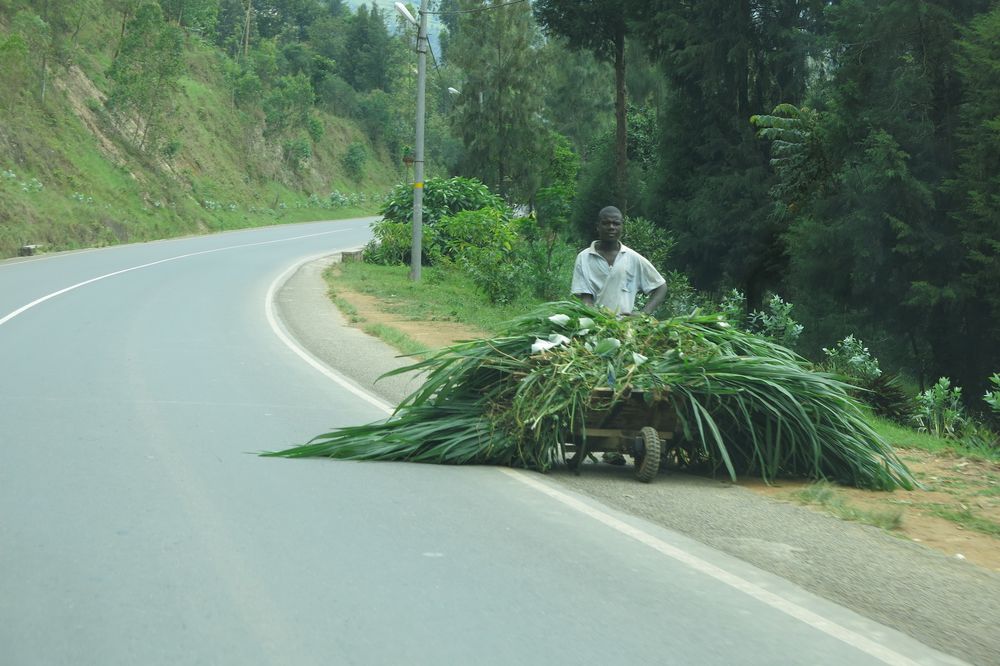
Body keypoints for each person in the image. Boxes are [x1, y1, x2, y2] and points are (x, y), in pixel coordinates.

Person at [571, 206, 668, 316]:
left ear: (622, 227)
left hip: (625, 327)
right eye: (606, 223)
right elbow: (586, 297)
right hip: (594, 324)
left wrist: (644, 313)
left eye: (616, 223)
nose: (611, 227)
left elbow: (661, 286)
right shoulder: (584, 258)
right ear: (597, 226)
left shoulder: (632, 258)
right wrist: (592, 314)